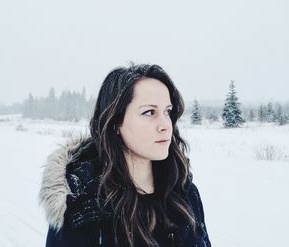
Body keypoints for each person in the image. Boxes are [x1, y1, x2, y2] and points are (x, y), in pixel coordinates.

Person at [39, 64, 211, 246]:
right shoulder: (82, 206)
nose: (165, 125)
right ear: (115, 123)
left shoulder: (185, 194)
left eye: (167, 112)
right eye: (150, 112)